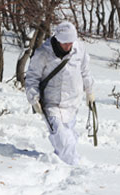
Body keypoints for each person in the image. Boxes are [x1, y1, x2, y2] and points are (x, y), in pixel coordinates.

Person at [25, 21, 95, 165]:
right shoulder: (43, 53)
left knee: (68, 136)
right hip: (51, 103)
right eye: (65, 43)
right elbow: (32, 77)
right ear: (57, 39)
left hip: (72, 103)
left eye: (71, 42)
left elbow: (85, 73)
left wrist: (90, 92)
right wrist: (33, 98)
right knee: (61, 136)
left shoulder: (79, 50)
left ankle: (60, 165)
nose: (68, 46)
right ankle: (74, 165)